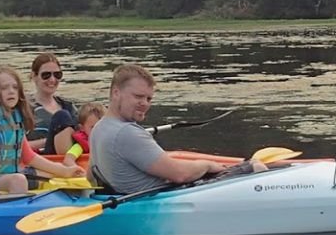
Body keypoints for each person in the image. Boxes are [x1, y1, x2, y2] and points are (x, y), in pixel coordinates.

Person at [89, 63, 260, 194]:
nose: (145, 104)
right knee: (256, 167)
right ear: (116, 93)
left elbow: (90, 177)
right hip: (165, 197)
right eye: (138, 96)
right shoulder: (127, 133)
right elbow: (180, 174)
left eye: (149, 98)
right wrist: (206, 165)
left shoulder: (99, 128)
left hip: (130, 196)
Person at [0, 65, 81, 197]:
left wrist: (63, 171)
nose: (11, 91)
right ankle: (17, 213)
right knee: (18, 180)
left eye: (15, 87)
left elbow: (28, 156)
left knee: (51, 176)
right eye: (4, 88)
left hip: (8, 173)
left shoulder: (15, 117)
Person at [27, 52, 78, 154]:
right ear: (34, 76)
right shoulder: (24, 108)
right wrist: (52, 141)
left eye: (57, 75)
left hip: (70, 159)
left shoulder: (69, 106)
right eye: (46, 75)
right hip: (39, 159)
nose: (52, 80)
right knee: (62, 116)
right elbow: (16, 145)